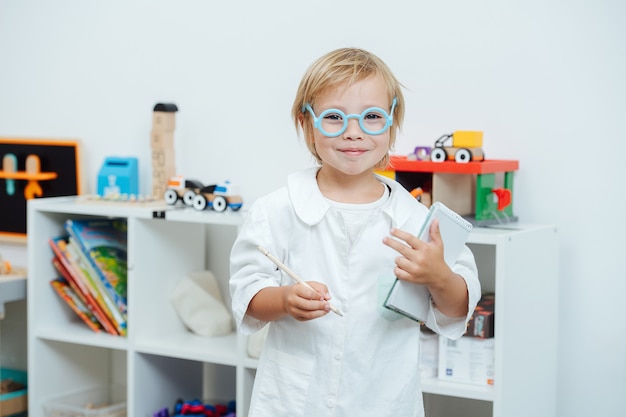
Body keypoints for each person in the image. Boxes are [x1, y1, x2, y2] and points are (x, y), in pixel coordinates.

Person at [229, 47, 480, 417]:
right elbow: (246, 295)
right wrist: (284, 300)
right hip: (296, 402)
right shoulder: (275, 211)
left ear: (392, 123)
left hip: (384, 400)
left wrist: (439, 277)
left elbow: (458, 309)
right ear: (306, 124)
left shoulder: (416, 219)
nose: (353, 132)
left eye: (372, 117)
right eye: (333, 117)